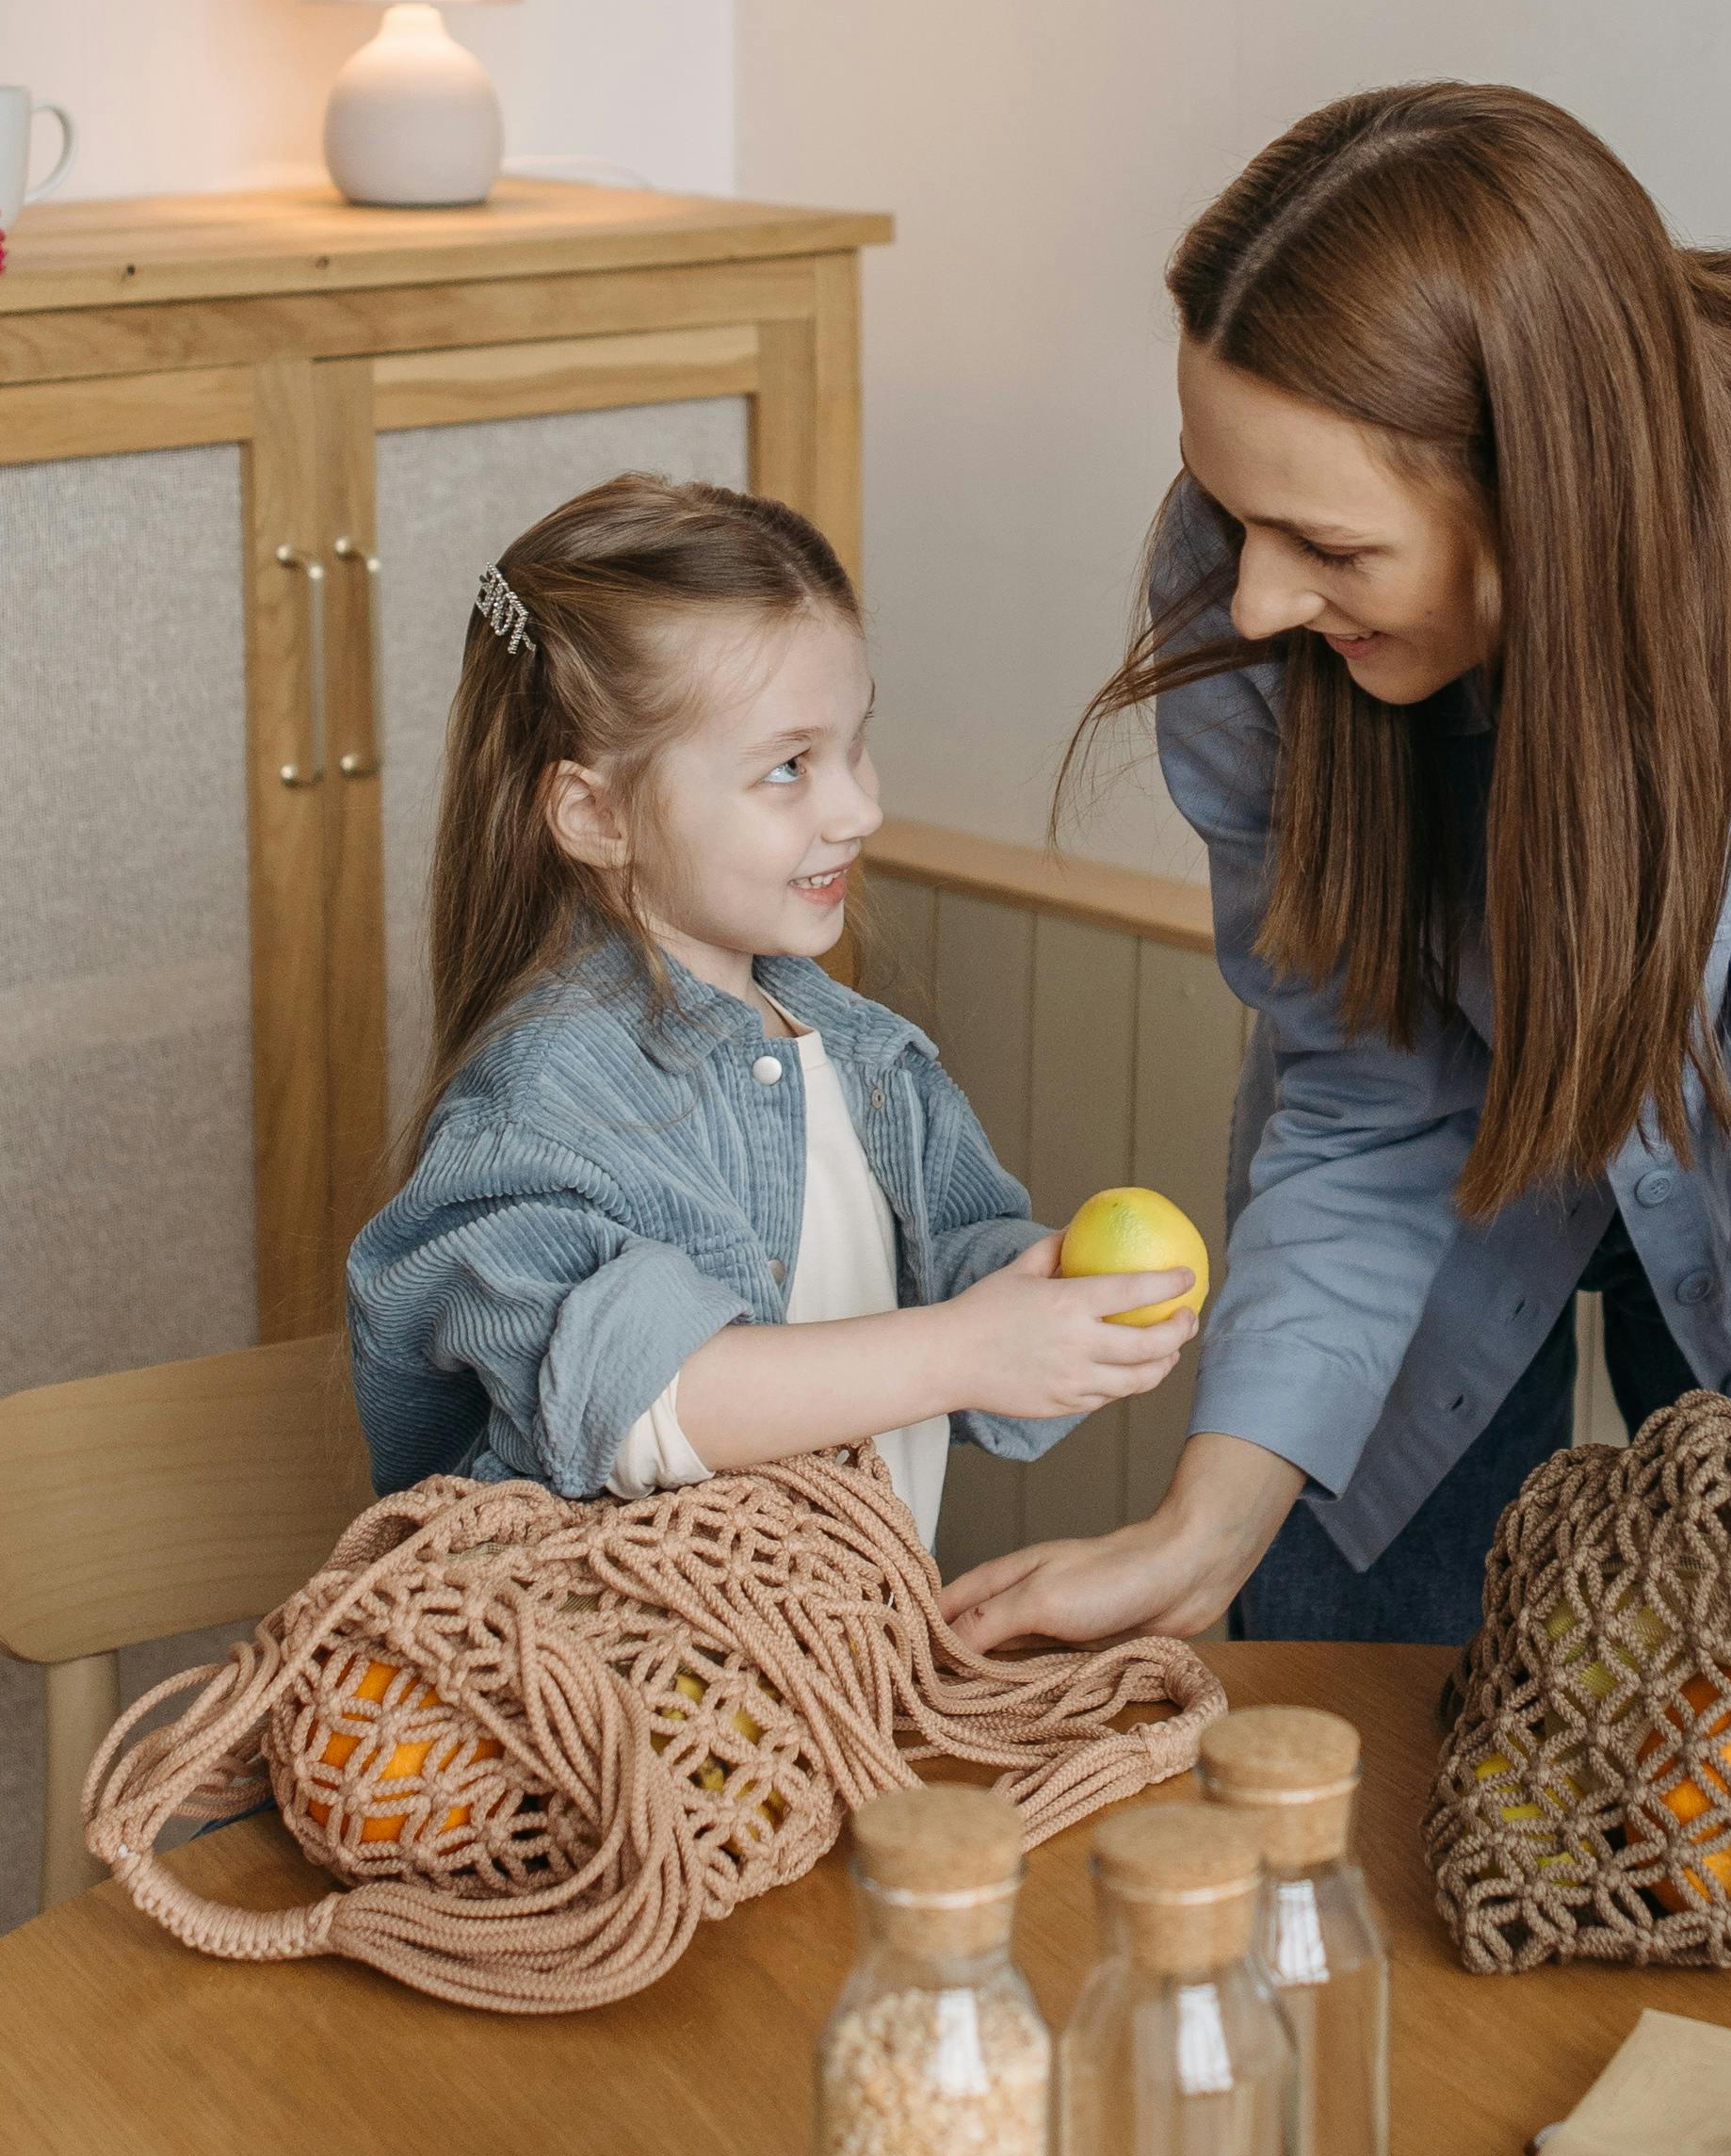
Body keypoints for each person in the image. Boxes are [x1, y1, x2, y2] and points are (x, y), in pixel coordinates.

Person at [947, 85, 1731, 1654]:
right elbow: (1359, 1095)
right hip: (1417, 1234)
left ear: (1537, 492)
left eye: (1324, 549)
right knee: (1338, 1699)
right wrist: (1203, 1526)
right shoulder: (1245, 560)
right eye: (1226, 513)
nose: (1248, 601)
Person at [346, 475, 1197, 1524]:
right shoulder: (547, 1098)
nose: (861, 805)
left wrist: (1048, 1300)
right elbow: (637, 1403)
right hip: (632, 1682)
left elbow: (934, 1282)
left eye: (852, 745)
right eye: (789, 766)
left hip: (830, 1669)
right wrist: (969, 1350)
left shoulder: (867, 1056)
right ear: (594, 813)